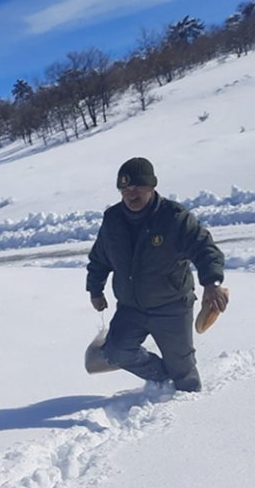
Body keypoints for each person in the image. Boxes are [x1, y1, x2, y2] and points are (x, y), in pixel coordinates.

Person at [86, 157, 228, 393]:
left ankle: (194, 412)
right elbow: (99, 258)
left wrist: (212, 282)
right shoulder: (113, 220)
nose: (131, 194)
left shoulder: (174, 218)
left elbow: (205, 249)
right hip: (131, 307)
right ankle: (161, 376)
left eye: (137, 188)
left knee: (184, 375)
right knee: (115, 352)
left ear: (152, 186)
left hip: (172, 306)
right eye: (125, 189)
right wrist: (95, 289)